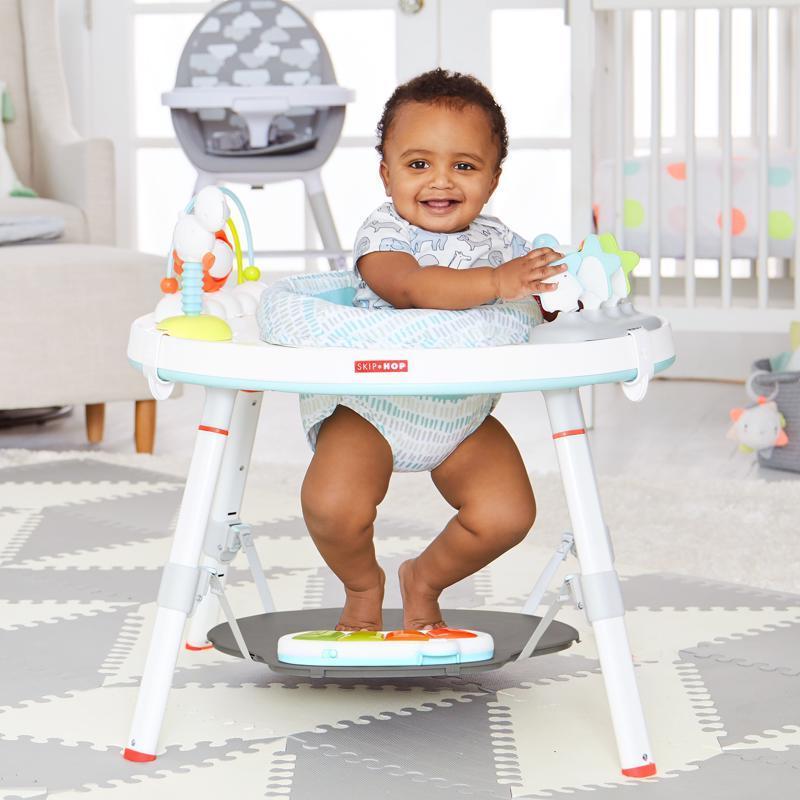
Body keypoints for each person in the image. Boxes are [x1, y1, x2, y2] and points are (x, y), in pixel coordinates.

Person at [300, 69, 566, 631]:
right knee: (332, 506)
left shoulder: (500, 241)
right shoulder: (384, 234)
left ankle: (424, 579)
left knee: (507, 514)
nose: (440, 181)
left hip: (460, 412)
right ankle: (362, 585)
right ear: (386, 173)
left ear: (493, 179)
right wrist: (498, 283)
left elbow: (539, 296)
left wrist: (560, 292)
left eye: (464, 166)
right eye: (418, 164)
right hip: (371, 405)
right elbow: (411, 288)